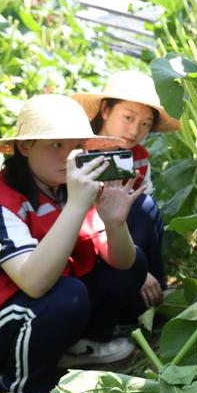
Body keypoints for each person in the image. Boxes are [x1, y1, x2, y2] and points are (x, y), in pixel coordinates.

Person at [0, 95, 148, 393]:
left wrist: (115, 223)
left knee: (133, 261)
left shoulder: (64, 187)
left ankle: (77, 345)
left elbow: (123, 263)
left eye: (76, 146)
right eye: (56, 144)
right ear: (24, 149)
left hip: (38, 308)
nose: (68, 156)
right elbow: (34, 283)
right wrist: (78, 205)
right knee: (65, 295)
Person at [72, 70, 181, 310]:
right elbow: (82, 223)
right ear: (105, 110)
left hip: (122, 241)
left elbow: (144, 216)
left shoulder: (139, 157)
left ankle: (151, 292)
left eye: (145, 124)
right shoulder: (79, 154)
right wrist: (137, 271)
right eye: (128, 118)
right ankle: (131, 297)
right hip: (89, 246)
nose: (134, 131)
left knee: (145, 206)